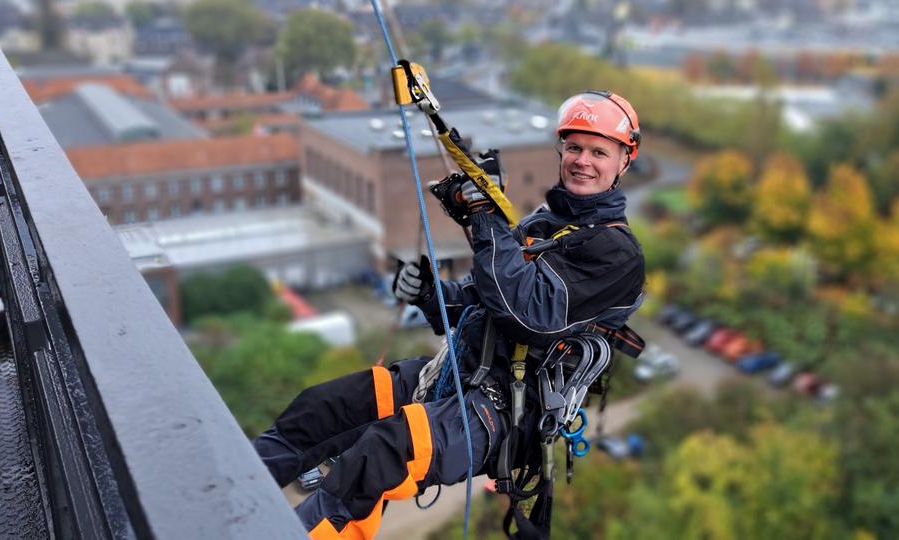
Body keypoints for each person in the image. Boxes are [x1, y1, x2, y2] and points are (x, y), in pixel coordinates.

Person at [253, 91, 646, 539]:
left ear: (624, 161)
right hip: (457, 374)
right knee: (321, 409)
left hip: (503, 409)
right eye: (574, 147)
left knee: (380, 456)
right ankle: (231, 486)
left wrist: (485, 217)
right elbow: (476, 302)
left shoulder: (617, 254)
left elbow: (529, 317)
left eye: (599, 152)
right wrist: (428, 293)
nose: (582, 161)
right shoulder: (542, 227)